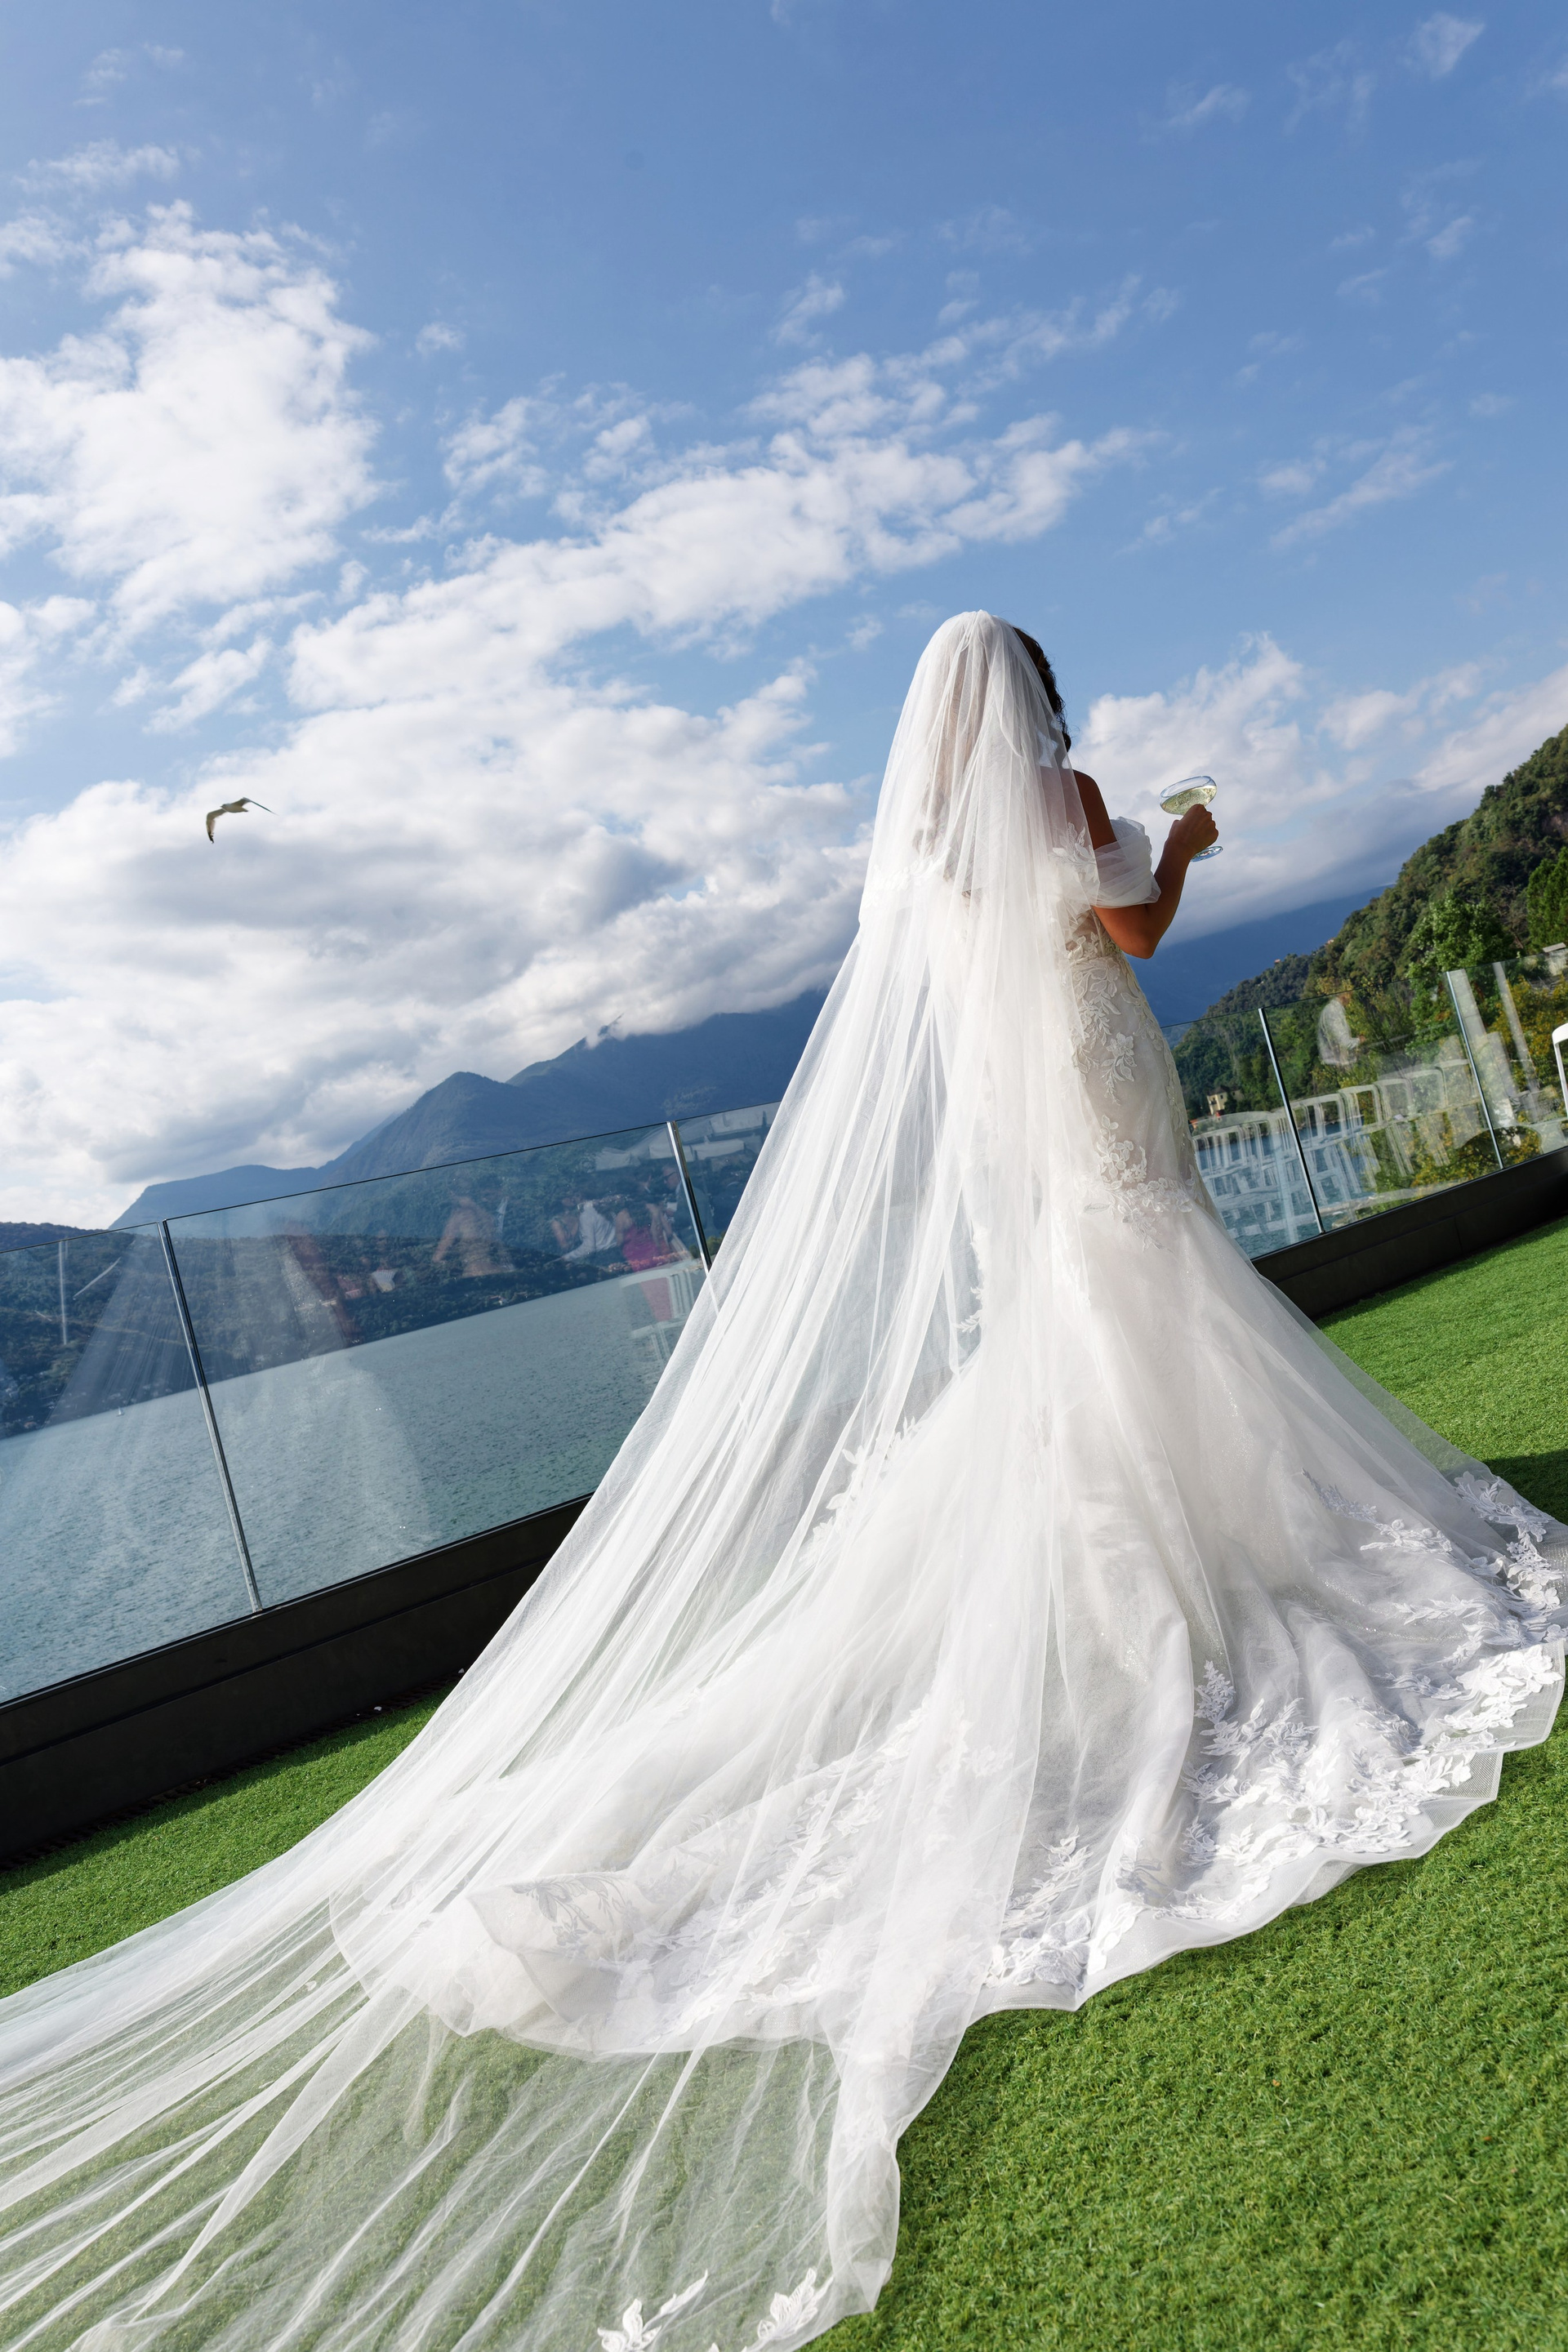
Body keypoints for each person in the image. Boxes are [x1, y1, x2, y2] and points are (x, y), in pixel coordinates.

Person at [1, 616, 1561, 2352]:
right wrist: (1183, 842)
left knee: (1090, 1304)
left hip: (1026, 1096)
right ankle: (1206, 1539)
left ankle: (1152, 1527)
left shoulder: (926, 846)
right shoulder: (1063, 797)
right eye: (1047, 689)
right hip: (1096, 1060)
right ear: (1030, 701)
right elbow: (1130, 932)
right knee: (1149, 1271)